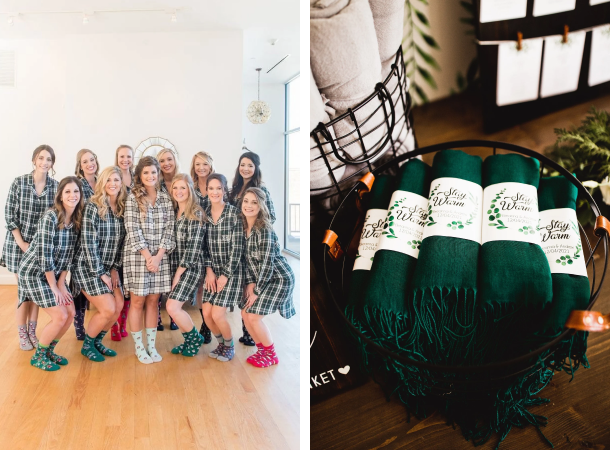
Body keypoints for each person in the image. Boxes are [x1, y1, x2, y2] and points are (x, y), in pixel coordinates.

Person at [18, 176, 83, 371]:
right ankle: (38, 356)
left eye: (76, 192)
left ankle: (48, 350)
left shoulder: (76, 220)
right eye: (68, 192)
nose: (73, 195)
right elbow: (45, 255)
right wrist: (53, 286)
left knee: (70, 313)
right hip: (33, 273)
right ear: (61, 196)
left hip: (55, 275)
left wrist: (62, 283)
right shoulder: (51, 217)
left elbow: (69, 255)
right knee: (60, 316)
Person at [1, 145, 58, 350]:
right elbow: (9, 215)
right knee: (24, 292)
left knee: (34, 292)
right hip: (18, 245)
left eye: (49, 159)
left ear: (52, 163)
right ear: (34, 159)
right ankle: (22, 334)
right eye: (41, 158)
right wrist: (22, 243)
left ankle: (32, 332)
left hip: (39, 248)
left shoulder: (55, 186)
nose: (44, 162)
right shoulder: (19, 183)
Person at [123, 156, 175, 364]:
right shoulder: (132, 198)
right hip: (138, 257)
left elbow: (170, 228)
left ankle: (151, 346)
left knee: (154, 301)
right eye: (146, 173)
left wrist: (158, 257)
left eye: (153, 172)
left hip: (160, 259)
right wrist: (148, 257)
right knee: (137, 301)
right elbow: (132, 229)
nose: (150, 176)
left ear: (158, 174)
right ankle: (139, 346)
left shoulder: (165, 198)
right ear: (139, 175)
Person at [71, 167, 127, 362]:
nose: (112, 183)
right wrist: (100, 272)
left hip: (108, 268)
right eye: (109, 179)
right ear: (102, 182)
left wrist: (113, 269)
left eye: (116, 180)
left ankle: (97, 342)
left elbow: (122, 244)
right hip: (88, 267)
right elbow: (88, 243)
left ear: (121, 183)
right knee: (108, 309)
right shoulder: (92, 207)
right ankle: (88, 345)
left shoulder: (121, 209)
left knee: (119, 304)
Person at [240, 188, 296, 367]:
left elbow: (266, 264)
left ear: (261, 206)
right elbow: (247, 260)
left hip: (279, 278)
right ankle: (262, 351)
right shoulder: (244, 228)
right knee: (244, 313)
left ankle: (271, 354)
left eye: (254, 202)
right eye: (246, 201)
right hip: (264, 278)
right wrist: (250, 282)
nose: (248, 205)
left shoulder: (264, 229)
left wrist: (256, 290)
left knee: (254, 317)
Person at [228, 151, 276, 346]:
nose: (245, 168)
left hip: (254, 242)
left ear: (256, 168)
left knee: (252, 286)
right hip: (238, 242)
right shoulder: (235, 188)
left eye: (250, 165)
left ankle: (249, 334)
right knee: (243, 286)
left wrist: (252, 229)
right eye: (242, 164)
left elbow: (270, 217)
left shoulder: (260, 189)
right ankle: (247, 330)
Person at [201, 174, 244, 362]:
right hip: (212, 272)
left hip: (231, 272)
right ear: (206, 191)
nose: (215, 192)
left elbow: (238, 248)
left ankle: (229, 345)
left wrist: (225, 275)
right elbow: (202, 246)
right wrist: (209, 271)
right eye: (211, 188)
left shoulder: (234, 213)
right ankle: (220, 345)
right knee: (207, 314)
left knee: (218, 314)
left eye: (219, 188)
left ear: (224, 190)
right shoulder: (204, 214)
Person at [166, 174, 207, 356]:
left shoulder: (196, 212)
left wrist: (178, 274)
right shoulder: (174, 212)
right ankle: (188, 340)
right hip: (176, 266)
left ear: (190, 189)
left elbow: (193, 248)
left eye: (182, 187)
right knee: (175, 308)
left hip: (190, 268)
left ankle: (194, 338)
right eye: (175, 188)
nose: (178, 191)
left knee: (172, 307)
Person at [72, 149, 100, 340]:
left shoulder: (102, 181)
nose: (89, 164)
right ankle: (79, 324)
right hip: (79, 237)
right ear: (80, 166)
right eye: (85, 162)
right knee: (77, 285)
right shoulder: (78, 185)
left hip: (99, 237)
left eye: (92, 160)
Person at [189, 151, 215, 343]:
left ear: (210, 165)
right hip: (197, 239)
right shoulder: (191, 186)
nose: (201, 167)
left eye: (205, 164)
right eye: (198, 164)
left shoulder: (218, 184)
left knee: (210, 283)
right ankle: (205, 324)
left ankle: (210, 322)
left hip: (214, 239)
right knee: (199, 287)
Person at [110, 144, 134, 341]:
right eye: (122, 156)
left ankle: (123, 324)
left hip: (131, 237)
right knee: (115, 286)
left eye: (128, 156)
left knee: (126, 288)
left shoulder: (137, 180)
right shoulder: (113, 178)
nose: (125, 159)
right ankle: (113, 325)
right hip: (116, 234)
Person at [156, 148, 179, 331]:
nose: (166, 163)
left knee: (174, 275)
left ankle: (173, 316)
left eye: (169, 159)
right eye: (162, 160)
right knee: (157, 274)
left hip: (179, 232)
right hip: (161, 233)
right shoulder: (157, 183)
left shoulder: (182, 180)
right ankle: (156, 315)